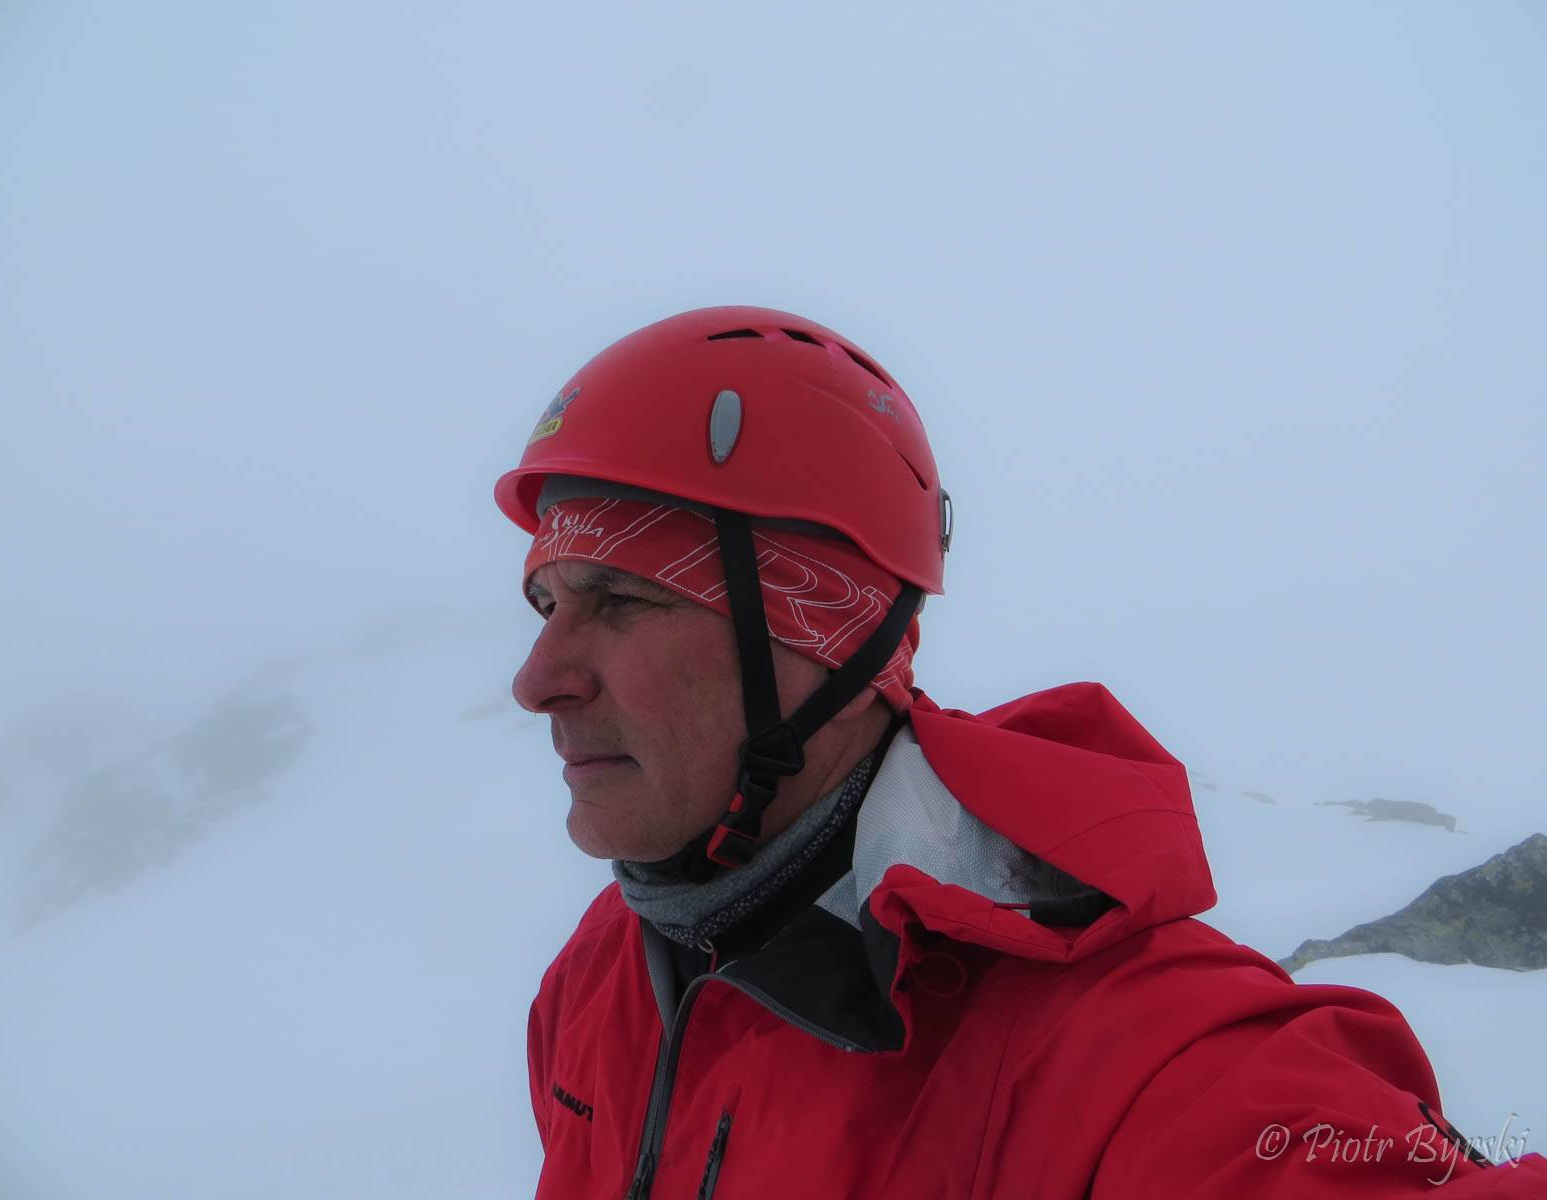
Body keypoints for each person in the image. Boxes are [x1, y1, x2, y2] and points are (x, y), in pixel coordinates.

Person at [497, 306, 1546, 1198]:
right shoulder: (603, 976)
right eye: (547, 604)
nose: (537, 678)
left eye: (621, 599)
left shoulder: (1131, 1059)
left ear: (830, 638)